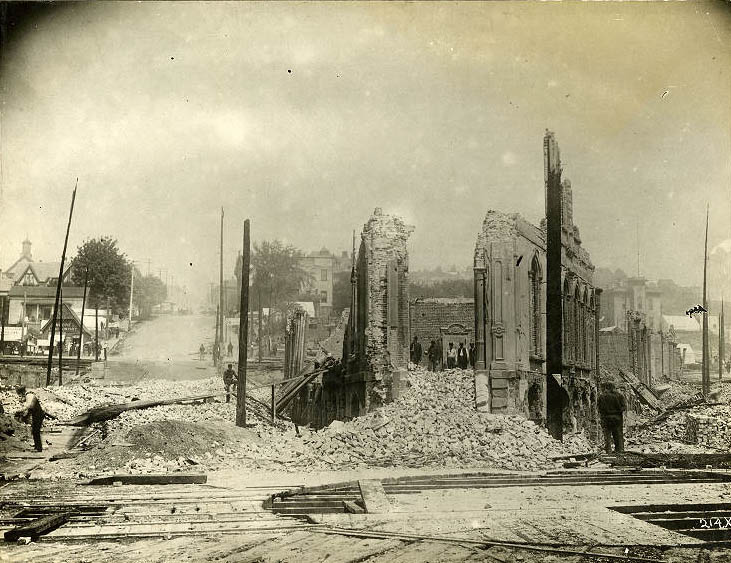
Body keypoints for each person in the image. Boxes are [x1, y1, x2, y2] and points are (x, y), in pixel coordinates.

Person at [597, 381, 626, 454]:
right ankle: (619, 450)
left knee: (607, 435)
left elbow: (599, 408)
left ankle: (608, 450)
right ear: (614, 387)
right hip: (617, 418)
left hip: (606, 417)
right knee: (618, 434)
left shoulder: (602, 396)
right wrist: (618, 410)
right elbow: (624, 407)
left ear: (606, 387)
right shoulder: (619, 396)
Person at [15, 386, 45, 452]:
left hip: (38, 414)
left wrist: (21, 409)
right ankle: (37, 446)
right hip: (36, 414)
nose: (20, 396)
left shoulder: (29, 395)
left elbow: (29, 405)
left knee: (36, 431)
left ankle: (39, 448)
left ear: (22, 392)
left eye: (20, 394)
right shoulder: (28, 395)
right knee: (34, 431)